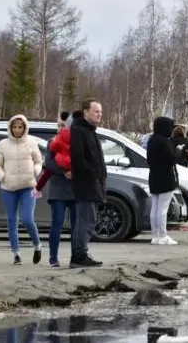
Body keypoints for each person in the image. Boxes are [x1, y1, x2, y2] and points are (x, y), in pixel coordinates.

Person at [0, 115, 43, 265]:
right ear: (10, 128)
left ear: (25, 128)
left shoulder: (32, 143)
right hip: (8, 187)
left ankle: (37, 245)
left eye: (20, 127)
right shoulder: (3, 144)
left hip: (28, 186)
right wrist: (1, 176)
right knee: (12, 220)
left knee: (27, 219)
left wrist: (36, 170)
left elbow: (39, 161)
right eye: (15, 127)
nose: (17, 129)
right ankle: (16, 254)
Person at [69, 98, 106, 268]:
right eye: (96, 111)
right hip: (86, 184)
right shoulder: (79, 130)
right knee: (86, 220)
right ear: (85, 112)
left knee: (87, 219)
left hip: (94, 183)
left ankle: (80, 253)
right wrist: (93, 174)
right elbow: (78, 158)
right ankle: (79, 255)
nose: (99, 114)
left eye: (100, 111)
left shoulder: (90, 130)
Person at [43, 112, 77, 267]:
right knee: (57, 223)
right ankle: (53, 258)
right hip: (58, 190)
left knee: (77, 226)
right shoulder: (52, 142)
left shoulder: (76, 142)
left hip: (76, 190)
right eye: (58, 125)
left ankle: (76, 256)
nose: (60, 128)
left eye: (62, 125)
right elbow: (48, 164)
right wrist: (64, 172)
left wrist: (74, 171)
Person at [147, 116, 181, 245]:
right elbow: (172, 159)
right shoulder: (164, 142)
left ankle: (155, 235)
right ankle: (163, 235)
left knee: (155, 208)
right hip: (166, 178)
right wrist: (178, 150)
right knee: (163, 209)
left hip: (154, 177)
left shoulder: (151, 140)